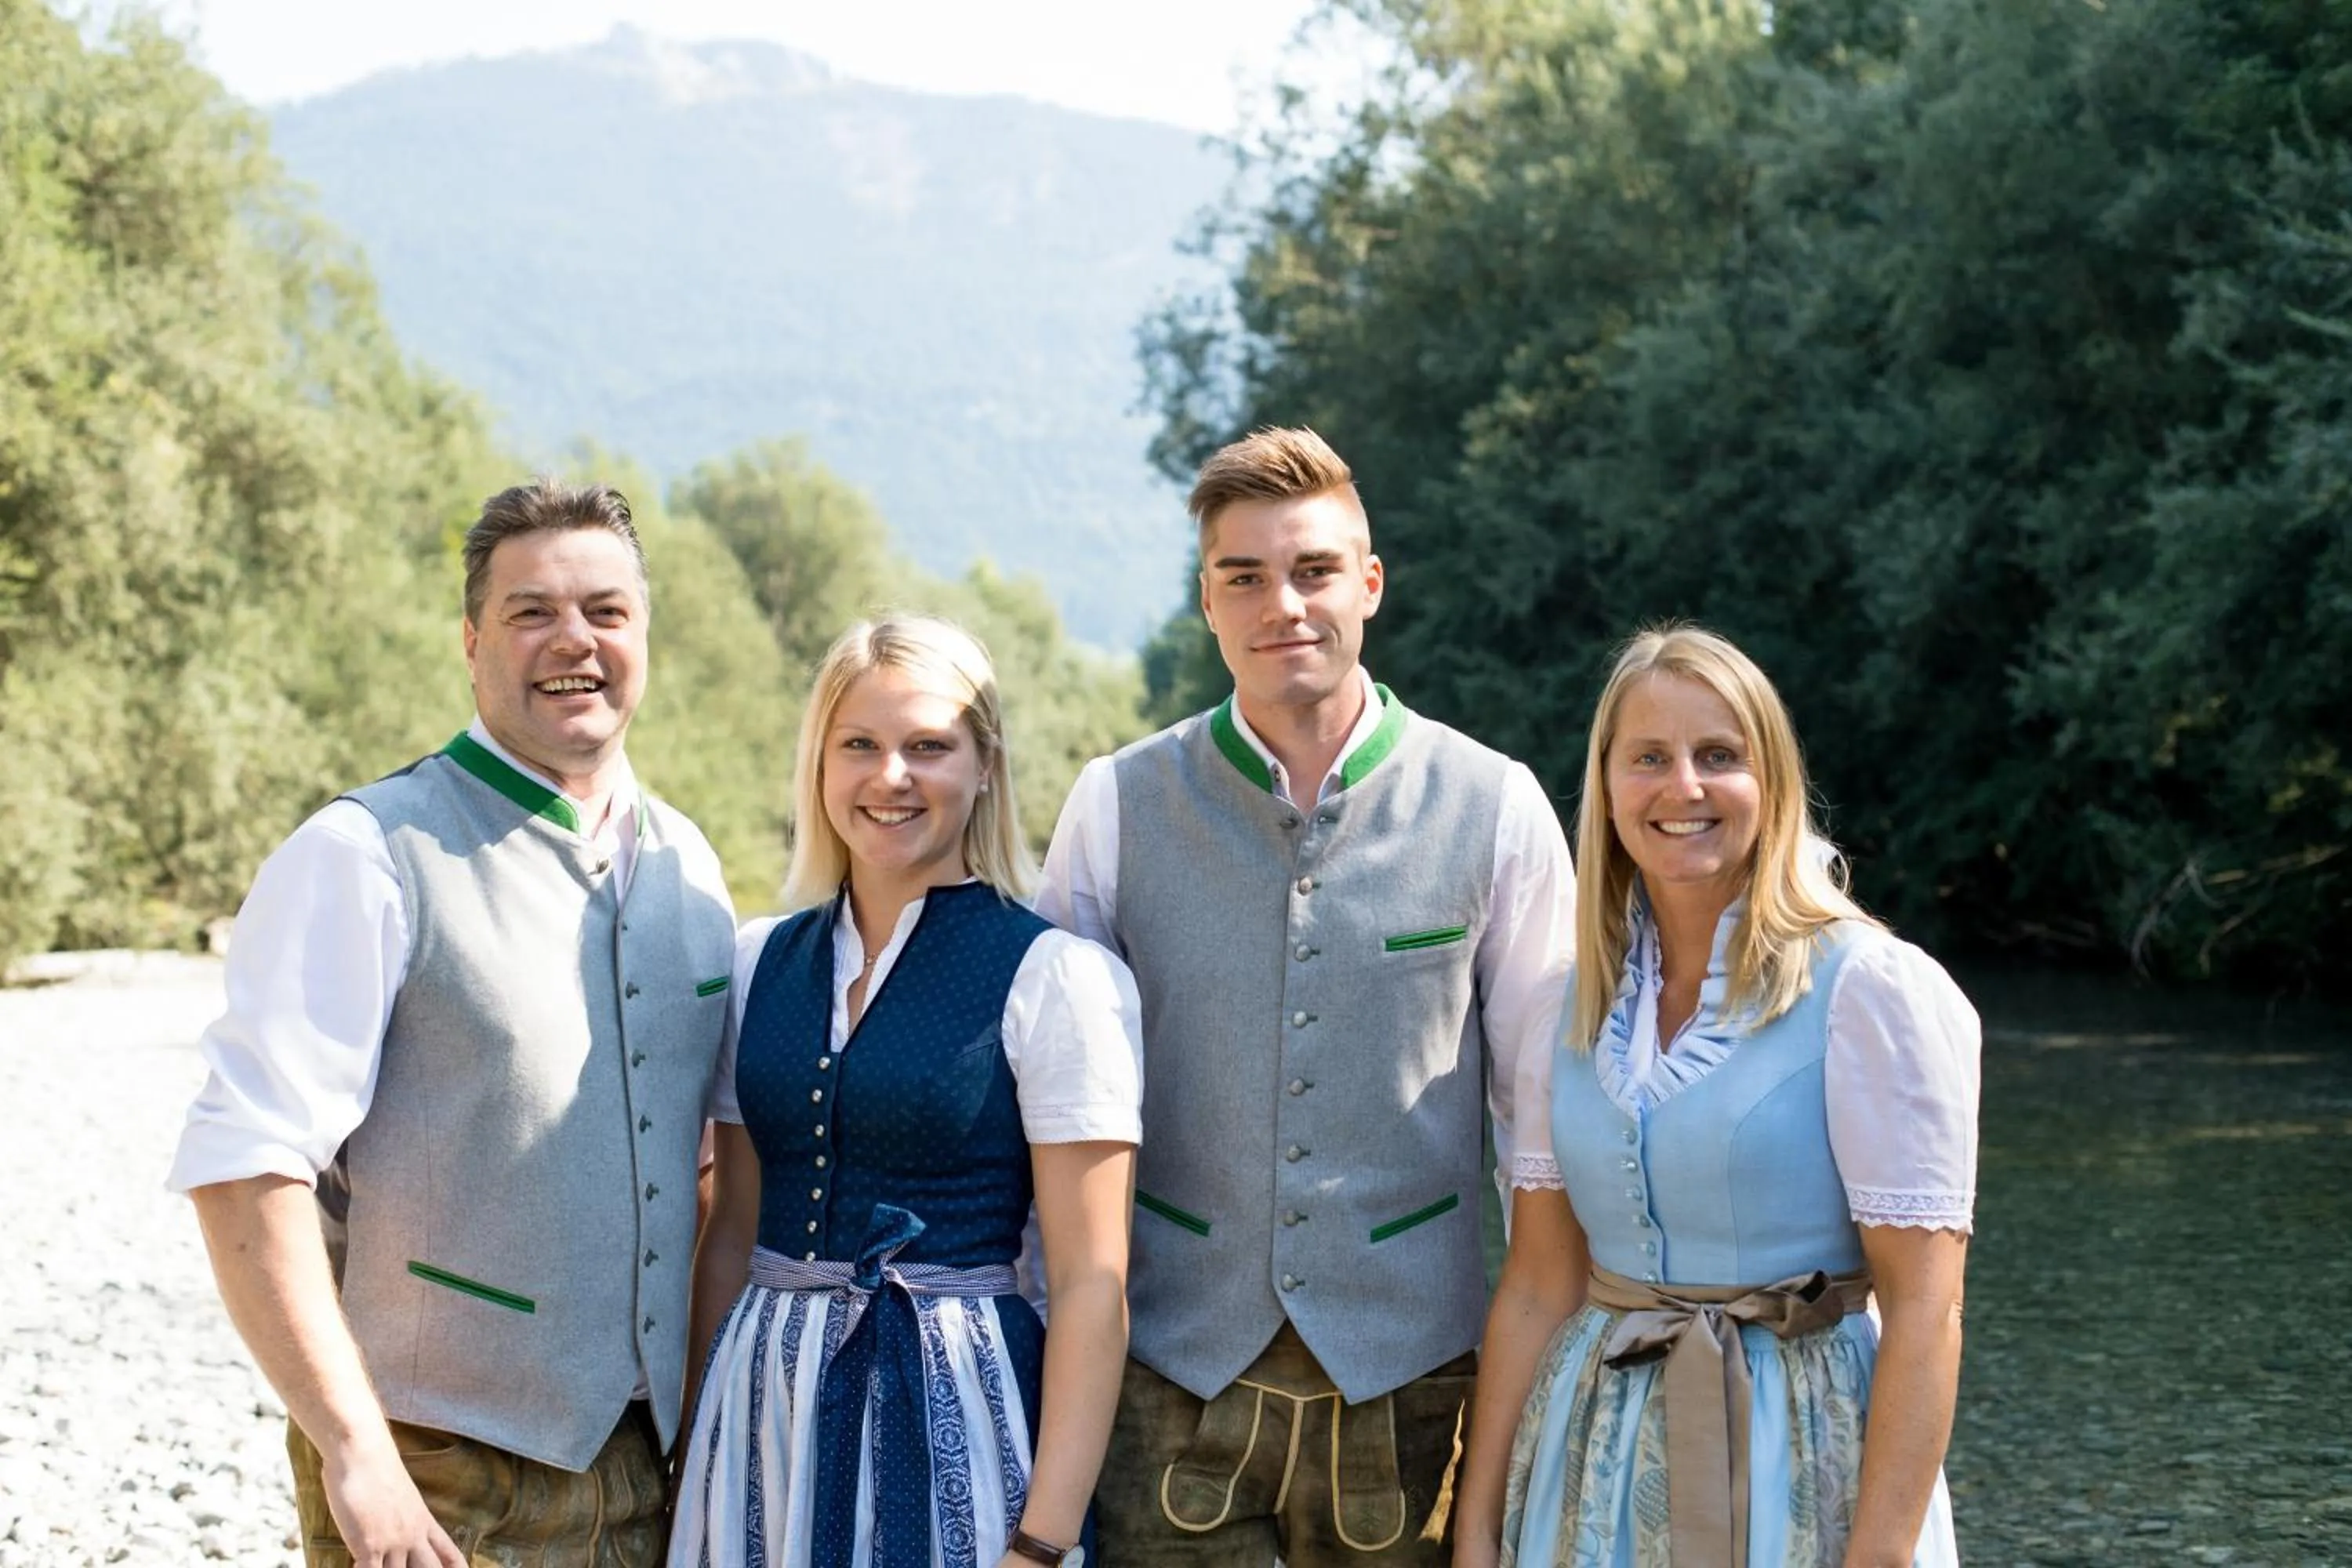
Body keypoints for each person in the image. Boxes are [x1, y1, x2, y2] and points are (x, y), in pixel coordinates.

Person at [169, 478, 739, 1567]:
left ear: (646, 638)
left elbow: (707, 1170)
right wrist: (355, 1453)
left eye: (606, 611)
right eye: (532, 612)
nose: (574, 639)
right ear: (471, 643)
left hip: (650, 1470)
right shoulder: (363, 854)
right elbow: (245, 1169)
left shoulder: (692, 866)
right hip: (432, 1475)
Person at [1037, 426, 1577, 1568]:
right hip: (1170, 1380)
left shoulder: (1498, 806)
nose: (1283, 604)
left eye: (1315, 571)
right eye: (1246, 578)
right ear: (1209, 602)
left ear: (1369, 584)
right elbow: (1055, 1117)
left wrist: (1517, 1432)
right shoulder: (1116, 806)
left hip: (1415, 1389)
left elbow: (1543, 1137)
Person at [1453, 625, 1980, 1568]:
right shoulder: (1564, 1007)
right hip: (1595, 1445)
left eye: (1719, 756)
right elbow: (1538, 1284)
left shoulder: (1870, 990)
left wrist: (1882, 1554)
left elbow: (1926, 1304)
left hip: (1805, 1445)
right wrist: (1478, 1525)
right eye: (1648, 757)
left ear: (1769, 780)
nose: (1682, 786)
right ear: (1608, 785)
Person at [669, 615, 1143, 1568]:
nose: (892, 776)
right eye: (860, 745)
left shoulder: (1054, 977)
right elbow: (731, 1230)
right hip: (762, 1407)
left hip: (957, 1399)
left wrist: (1043, 1541)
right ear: (820, 763)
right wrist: (689, 1457)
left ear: (984, 766)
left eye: (929, 745)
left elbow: (1095, 1280)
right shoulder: (762, 962)